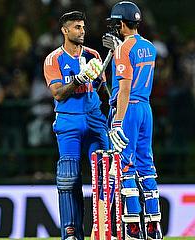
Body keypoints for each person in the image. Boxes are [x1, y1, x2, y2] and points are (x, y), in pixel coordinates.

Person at [43, 11, 110, 240]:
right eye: (77, 27)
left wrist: (112, 114)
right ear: (65, 30)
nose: (82, 31)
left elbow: (103, 90)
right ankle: (71, 231)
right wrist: (80, 79)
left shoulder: (93, 55)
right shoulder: (53, 59)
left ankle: (102, 229)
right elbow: (58, 94)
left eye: (83, 27)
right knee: (69, 178)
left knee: (104, 176)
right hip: (69, 120)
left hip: (94, 119)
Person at [102, 1, 163, 239]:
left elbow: (125, 89)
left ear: (120, 24)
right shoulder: (150, 46)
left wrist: (117, 121)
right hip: (146, 110)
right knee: (146, 166)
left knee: (125, 166)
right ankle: (153, 226)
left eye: (114, 24)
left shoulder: (122, 50)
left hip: (128, 110)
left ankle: (133, 228)